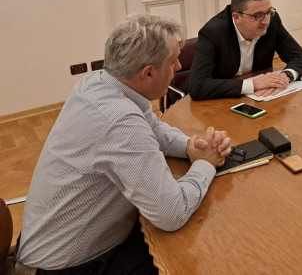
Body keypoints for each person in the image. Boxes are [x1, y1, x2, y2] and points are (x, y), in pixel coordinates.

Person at [16, 15, 232, 274]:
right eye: (173, 60)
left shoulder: (99, 82)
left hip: (70, 246)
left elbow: (152, 125)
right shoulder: (119, 121)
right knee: (204, 256)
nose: (178, 66)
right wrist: (205, 165)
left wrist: (189, 146)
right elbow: (170, 213)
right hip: (71, 266)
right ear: (148, 72)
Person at [189, 0, 302, 100]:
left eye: (268, 12)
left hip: (263, 99)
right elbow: (198, 86)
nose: (265, 21)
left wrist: (286, 76)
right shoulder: (213, 32)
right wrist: (252, 85)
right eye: (257, 16)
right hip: (222, 101)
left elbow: (300, 57)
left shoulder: (272, 21)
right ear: (236, 17)